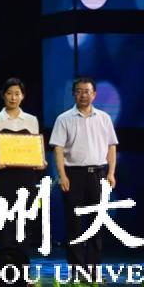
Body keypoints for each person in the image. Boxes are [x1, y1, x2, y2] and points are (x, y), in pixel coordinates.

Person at [50, 76, 118, 267]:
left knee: (97, 223)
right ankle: (77, 269)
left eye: (86, 92)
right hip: (73, 176)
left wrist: (111, 173)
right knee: (74, 224)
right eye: (79, 92)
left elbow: (111, 146)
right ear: (73, 94)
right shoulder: (64, 119)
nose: (83, 95)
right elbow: (58, 149)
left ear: (94, 94)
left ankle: (93, 267)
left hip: (98, 174)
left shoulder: (104, 118)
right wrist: (62, 175)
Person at [0, 78, 44, 251]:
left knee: (24, 216)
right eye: (9, 93)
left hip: (26, 175)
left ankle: (22, 261)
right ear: (3, 95)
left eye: (17, 94)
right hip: (4, 175)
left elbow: (34, 147)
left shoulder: (31, 120)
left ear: (23, 96)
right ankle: (6, 260)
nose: (13, 97)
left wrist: (40, 160)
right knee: (5, 217)